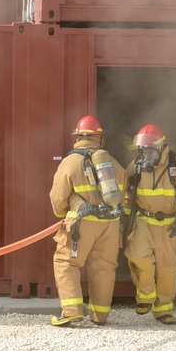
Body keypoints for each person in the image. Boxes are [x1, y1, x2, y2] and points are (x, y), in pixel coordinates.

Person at [49, 116, 125, 326]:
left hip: (82, 224)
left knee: (66, 262)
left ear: (78, 137)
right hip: (110, 224)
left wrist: (63, 215)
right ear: (100, 137)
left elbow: (57, 197)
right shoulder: (112, 163)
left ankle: (72, 310)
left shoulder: (70, 162)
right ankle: (100, 315)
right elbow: (125, 191)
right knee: (104, 267)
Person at [121, 124, 176, 325]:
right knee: (136, 256)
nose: (146, 155)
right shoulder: (134, 168)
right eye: (143, 150)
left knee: (167, 268)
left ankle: (163, 309)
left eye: (150, 150)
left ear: (163, 148)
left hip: (171, 224)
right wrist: (123, 217)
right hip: (143, 221)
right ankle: (146, 295)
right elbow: (128, 196)